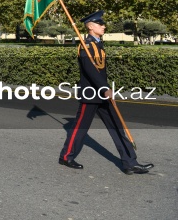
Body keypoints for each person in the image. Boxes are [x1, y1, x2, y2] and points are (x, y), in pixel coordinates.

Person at [59, 11, 153, 174]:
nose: (104, 26)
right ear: (90, 26)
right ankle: (66, 156)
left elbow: (100, 71)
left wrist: (105, 88)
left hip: (103, 93)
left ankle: (130, 162)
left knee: (117, 126)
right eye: (100, 24)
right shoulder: (86, 45)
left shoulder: (97, 44)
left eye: (103, 23)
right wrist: (105, 88)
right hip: (91, 94)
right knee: (80, 128)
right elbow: (90, 71)